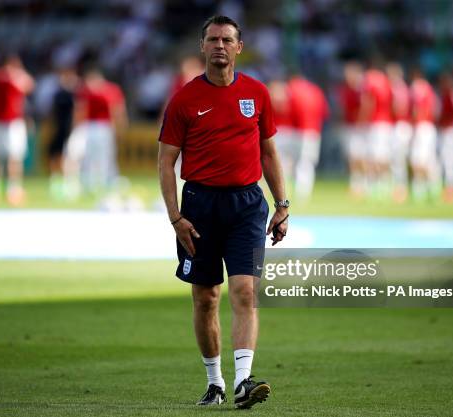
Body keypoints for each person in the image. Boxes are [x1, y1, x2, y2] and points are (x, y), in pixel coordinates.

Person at [158, 15, 288, 409]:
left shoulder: (257, 94)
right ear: (202, 47)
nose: (219, 46)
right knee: (205, 298)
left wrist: (282, 205)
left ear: (238, 47)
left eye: (226, 39)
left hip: (247, 204)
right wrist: (176, 218)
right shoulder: (184, 99)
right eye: (212, 39)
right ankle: (214, 383)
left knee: (245, 292)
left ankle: (244, 382)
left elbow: (268, 152)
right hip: (199, 206)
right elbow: (166, 163)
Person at [64, 64, 127, 199]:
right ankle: (88, 183)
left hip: (102, 126)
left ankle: (104, 183)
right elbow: (81, 110)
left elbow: (116, 110)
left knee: (103, 157)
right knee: (89, 156)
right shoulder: (87, 90)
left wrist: (119, 127)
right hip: (91, 126)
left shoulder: (107, 89)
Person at [0, 53, 34, 206]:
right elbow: (30, 85)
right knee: (14, 158)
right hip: (12, 122)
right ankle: (13, 190)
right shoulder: (15, 77)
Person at [287, 73, 329, 201]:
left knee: (290, 162)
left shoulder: (292, 89)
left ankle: (288, 191)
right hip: (313, 132)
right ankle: (303, 193)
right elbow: (325, 112)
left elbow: (287, 110)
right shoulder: (316, 91)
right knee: (307, 163)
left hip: (295, 131)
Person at [358, 59, 393, 201]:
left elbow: (368, 102)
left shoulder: (369, 79)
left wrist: (362, 119)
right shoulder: (386, 80)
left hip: (374, 123)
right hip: (386, 123)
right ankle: (385, 185)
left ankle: (373, 186)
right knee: (382, 155)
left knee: (372, 156)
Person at [47, 66, 78, 200]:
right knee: (55, 154)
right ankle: (56, 180)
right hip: (60, 129)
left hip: (71, 130)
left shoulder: (75, 95)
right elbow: (53, 113)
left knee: (69, 156)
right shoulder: (58, 94)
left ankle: (70, 182)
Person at [409, 67, 440, 202]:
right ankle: (434, 187)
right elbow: (436, 109)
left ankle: (419, 190)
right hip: (429, 126)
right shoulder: (430, 89)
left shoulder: (418, 87)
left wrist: (415, 123)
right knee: (429, 159)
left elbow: (418, 108)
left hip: (421, 127)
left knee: (417, 160)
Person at [386, 62, 413, 203]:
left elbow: (399, 108)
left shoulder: (398, 88)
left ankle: (401, 188)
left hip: (400, 126)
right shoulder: (401, 88)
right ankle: (399, 187)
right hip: (401, 126)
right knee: (396, 160)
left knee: (398, 160)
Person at [338, 61, 365, 198]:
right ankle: (355, 183)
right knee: (352, 157)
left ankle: (363, 183)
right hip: (349, 126)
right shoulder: (346, 90)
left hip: (359, 128)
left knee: (360, 156)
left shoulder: (361, 90)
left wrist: (361, 122)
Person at [437, 71, 453, 203]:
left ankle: (452, 189)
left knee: (450, 160)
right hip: (446, 130)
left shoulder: (452, 95)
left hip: (450, 131)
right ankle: (449, 187)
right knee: (446, 161)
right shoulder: (445, 96)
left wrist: (447, 124)